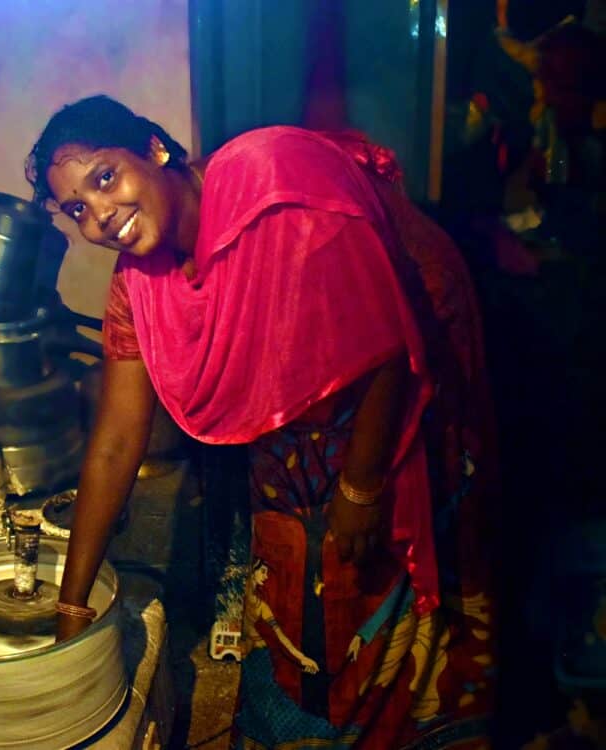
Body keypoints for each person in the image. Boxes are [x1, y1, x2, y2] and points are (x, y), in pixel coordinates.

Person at [26, 95, 497, 749]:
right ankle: (301, 717)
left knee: (395, 552)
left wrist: (362, 485)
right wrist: (71, 608)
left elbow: (388, 338)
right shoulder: (139, 281)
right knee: (290, 553)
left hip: (411, 352)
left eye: (105, 177)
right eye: (78, 207)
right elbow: (115, 443)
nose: (100, 216)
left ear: (154, 150)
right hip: (302, 410)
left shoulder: (274, 190)